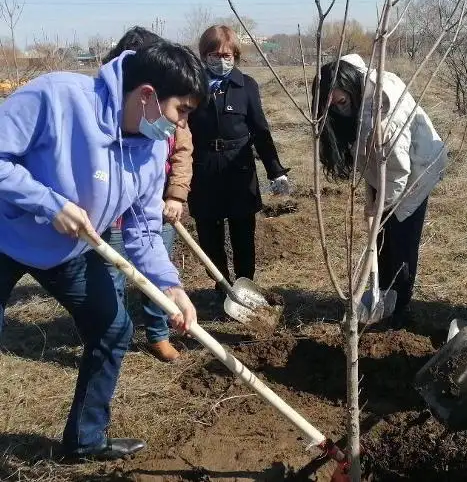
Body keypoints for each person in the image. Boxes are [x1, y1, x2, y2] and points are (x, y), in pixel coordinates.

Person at [0, 41, 205, 460]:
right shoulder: (56, 97)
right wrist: (48, 203)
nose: (182, 123)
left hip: (69, 251)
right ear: (147, 95)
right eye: (181, 110)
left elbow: (145, 229)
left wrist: (170, 286)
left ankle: (85, 440)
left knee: (113, 329)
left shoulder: (151, 149)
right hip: (4, 233)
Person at [313, 53, 447, 328]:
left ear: (352, 88)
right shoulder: (356, 91)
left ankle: (399, 310)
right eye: (332, 105)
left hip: (416, 171)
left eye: (341, 102)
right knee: (382, 239)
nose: (339, 109)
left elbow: (398, 172)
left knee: (401, 240)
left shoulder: (384, 113)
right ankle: (382, 293)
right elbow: (371, 158)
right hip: (388, 170)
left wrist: (381, 206)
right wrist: (372, 198)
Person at [100, 26, 194, 362]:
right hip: (108, 218)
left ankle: (157, 334)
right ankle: (114, 337)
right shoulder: (98, 116)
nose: (181, 120)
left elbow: (182, 154)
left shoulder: (171, 115)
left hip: (152, 207)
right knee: (111, 278)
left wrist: (176, 195)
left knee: (157, 272)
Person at [188, 25, 290, 300]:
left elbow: (260, 130)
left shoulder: (246, 86)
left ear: (235, 55)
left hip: (239, 170)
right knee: (209, 234)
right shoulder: (192, 87)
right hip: (203, 170)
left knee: (243, 233)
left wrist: (275, 171)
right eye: (214, 54)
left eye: (226, 55)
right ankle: (221, 286)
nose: (220, 60)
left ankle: (246, 287)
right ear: (204, 56)